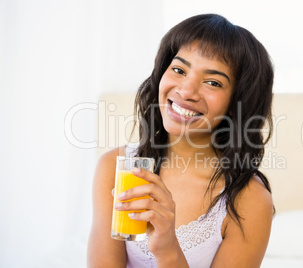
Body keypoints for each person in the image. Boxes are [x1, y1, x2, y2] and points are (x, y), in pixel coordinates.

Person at [88, 13, 275, 268]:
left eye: (212, 82)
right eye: (178, 69)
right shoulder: (116, 167)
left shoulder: (249, 200)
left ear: (236, 103)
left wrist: (168, 249)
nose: (186, 91)